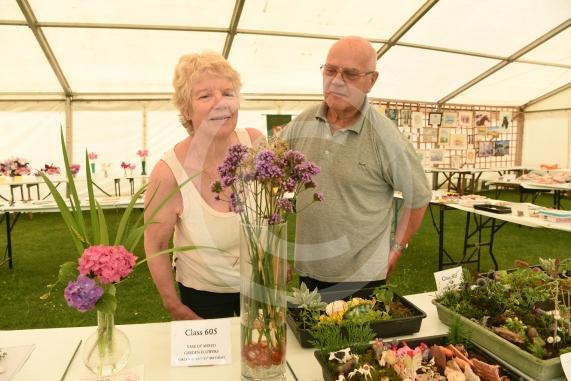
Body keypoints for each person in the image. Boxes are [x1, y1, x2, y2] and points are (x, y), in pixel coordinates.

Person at [280, 36, 431, 293]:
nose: (337, 81)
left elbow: (418, 196)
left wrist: (396, 249)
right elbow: (274, 179)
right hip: (308, 270)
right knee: (307, 333)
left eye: (350, 74)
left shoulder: (385, 137)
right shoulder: (302, 123)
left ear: (371, 81)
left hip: (361, 278)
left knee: (357, 335)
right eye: (330, 71)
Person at [144, 52, 262, 320]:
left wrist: (276, 259)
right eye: (205, 95)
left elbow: (272, 208)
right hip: (204, 296)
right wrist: (173, 305)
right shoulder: (168, 173)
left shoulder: (256, 145)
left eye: (227, 93)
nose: (221, 103)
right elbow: (155, 244)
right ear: (186, 110)